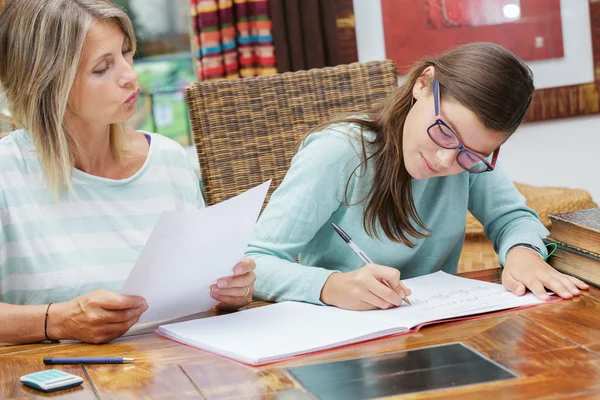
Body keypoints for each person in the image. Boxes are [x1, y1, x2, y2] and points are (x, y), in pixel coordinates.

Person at [246, 42, 588, 311]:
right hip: (339, 343)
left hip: (434, 335)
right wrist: (330, 286)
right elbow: (255, 261)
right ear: (423, 85)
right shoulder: (339, 153)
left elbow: (512, 218)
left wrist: (523, 252)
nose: (445, 160)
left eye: (471, 154)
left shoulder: (466, 160)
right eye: (444, 131)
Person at [0, 0, 256, 345]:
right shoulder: (7, 174)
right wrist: (56, 321)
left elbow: (200, 300)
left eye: (126, 53)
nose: (130, 76)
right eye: (102, 68)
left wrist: (228, 293)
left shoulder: (168, 160)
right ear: (47, 84)